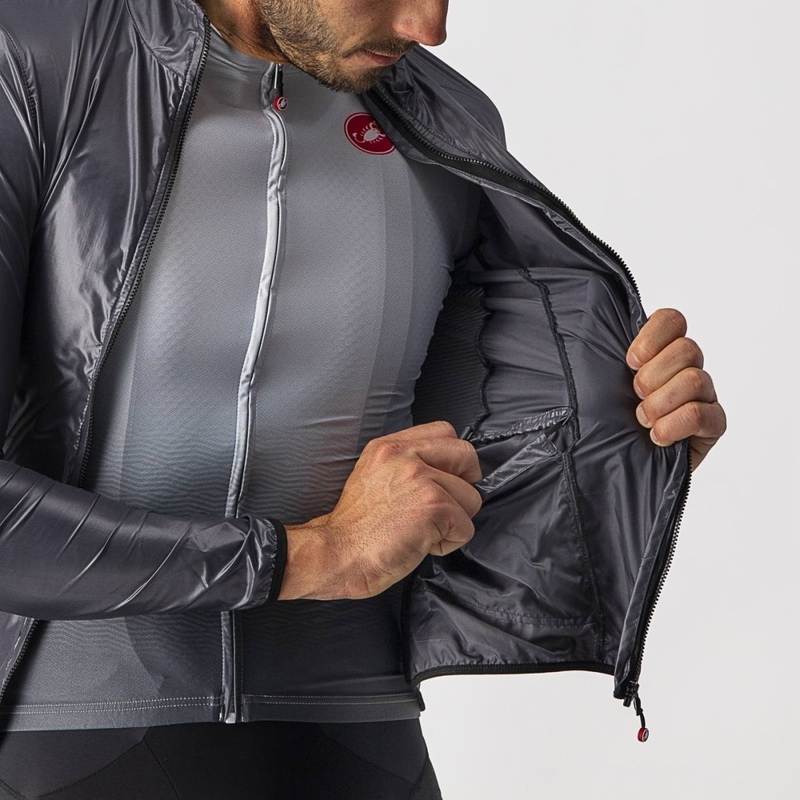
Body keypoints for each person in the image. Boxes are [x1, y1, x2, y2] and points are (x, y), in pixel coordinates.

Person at [0, 0, 727, 797]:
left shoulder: (442, 121)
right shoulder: (35, 65)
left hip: (365, 737)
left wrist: (620, 438)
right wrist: (315, 554)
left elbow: (453, 462)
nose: (427, 26)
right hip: (74, 739)